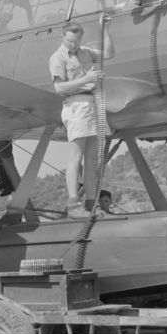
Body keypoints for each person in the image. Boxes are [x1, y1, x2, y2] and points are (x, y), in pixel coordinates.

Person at [49, 17, 115, 218]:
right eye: (70, 41)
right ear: (63, 37)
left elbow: (109, 54)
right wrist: (87, 79)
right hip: (76, 104)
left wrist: (104, 28)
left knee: (91, 159)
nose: (73, 45)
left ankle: (90, 203)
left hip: (92, 104)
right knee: (75, 156)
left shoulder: (85, 52)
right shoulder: (58, 58)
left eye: (76, 41)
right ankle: (73, 204)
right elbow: (59, 87)